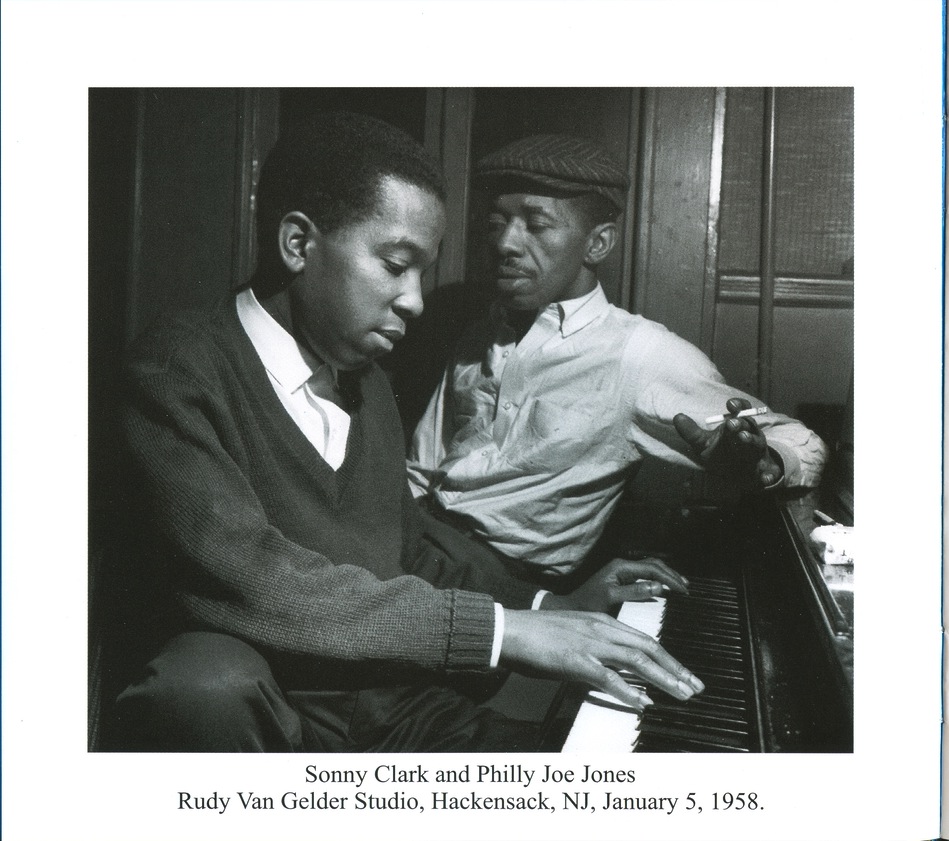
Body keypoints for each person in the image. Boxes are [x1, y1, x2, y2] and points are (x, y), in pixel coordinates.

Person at [111, 112, 704, 753]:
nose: (416, 300)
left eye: (423, 273)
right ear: (298, 244)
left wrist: (546, 607)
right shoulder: (175, 371)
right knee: (202, 682)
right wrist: (502, 632)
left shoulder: (363, 378)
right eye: (397, 265)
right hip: (274, 719)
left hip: (396, 713)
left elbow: (410, 549)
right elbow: (252, 578)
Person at [407, 133, 828, 581]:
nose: (505, 243)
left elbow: (802, 441)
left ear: (598, 244)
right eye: (496, 223)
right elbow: (421, 468)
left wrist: (761, 463)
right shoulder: (481, 332)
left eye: (536, 224)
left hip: (505, 583)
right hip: (416, 541)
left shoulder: (638, 354)